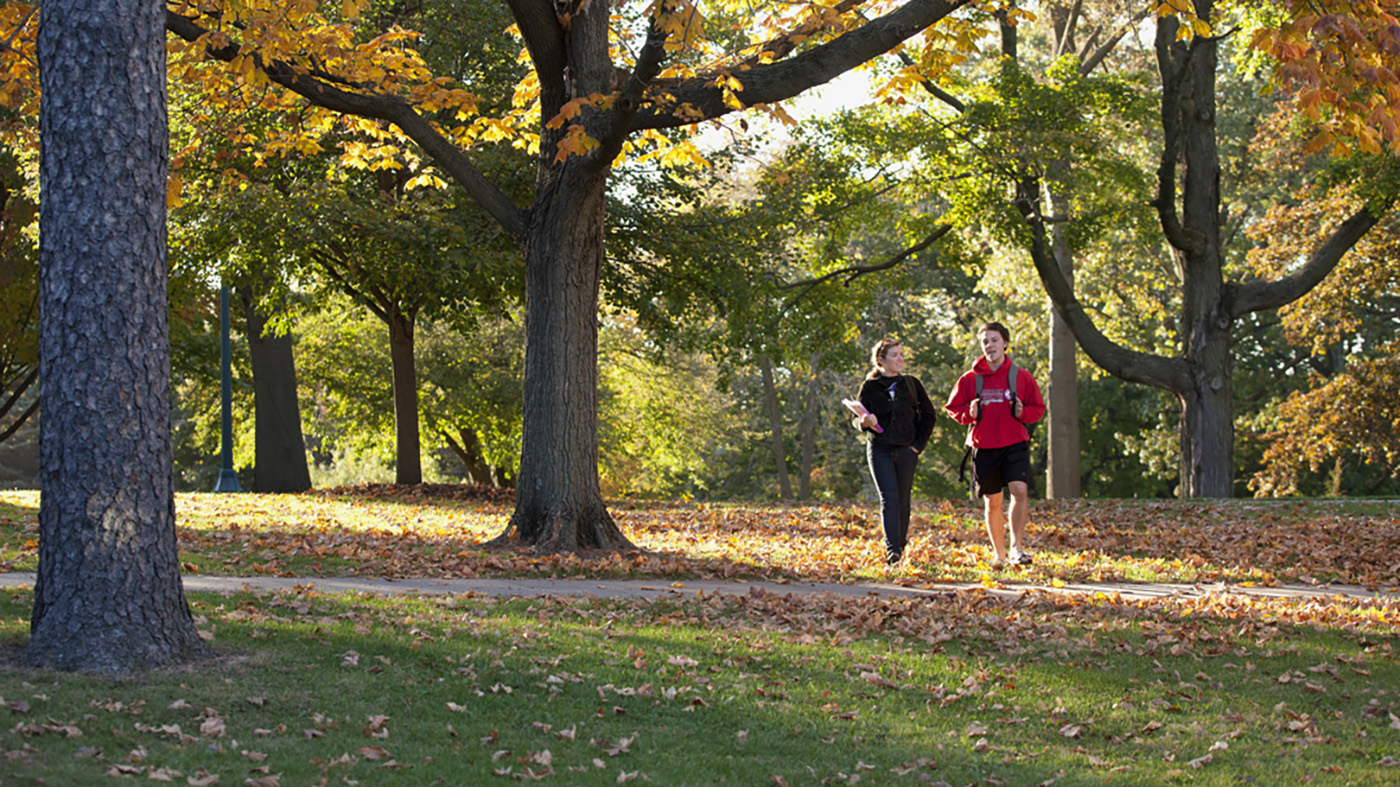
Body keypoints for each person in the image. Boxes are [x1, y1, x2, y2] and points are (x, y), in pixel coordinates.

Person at [944, 322, 1045, 568]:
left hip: (1014, 443)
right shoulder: (970, 379)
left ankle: (1017, 549)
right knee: (993, 501)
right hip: (985, 445)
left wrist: (1023, 413)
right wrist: (969, 414)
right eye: (985, 342)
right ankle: (999, 554)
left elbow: (1037, 409)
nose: (990, 345)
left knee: (1019, 491)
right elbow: (953, 409)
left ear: (1005, 343)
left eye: (994, 340)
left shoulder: (1021, 376)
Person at [853, 338, 938, 565]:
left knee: (903, 499)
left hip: (906, 450)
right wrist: (865, 422)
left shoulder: (911, 384)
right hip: (879, 449)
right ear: (881, 360)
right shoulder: (870, 386)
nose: (899, 359)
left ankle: (900, 545)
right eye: (894, 355)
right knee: (889, 498)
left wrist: (917, 446)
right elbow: (856, 419)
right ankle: (893, 551)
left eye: (901, 354)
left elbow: (929, 415)